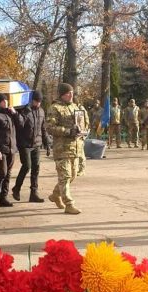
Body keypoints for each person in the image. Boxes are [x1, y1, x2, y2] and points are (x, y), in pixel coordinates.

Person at [46, 83, 89, 215]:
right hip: (62, 149)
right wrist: (68, 131)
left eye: (72, 92)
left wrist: (84, 131)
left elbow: (84, 123)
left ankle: (55, 195)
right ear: (62, 94)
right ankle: (69, 204)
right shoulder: (55, 108)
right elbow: (50, 127)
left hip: (76, 148)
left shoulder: (76, 107)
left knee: (73, 175)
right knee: (65, 176)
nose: (71, 95)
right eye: (68, 93)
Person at [12, 90, 49, 203]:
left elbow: (43, 128)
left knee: (36, 169)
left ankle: (34, 193)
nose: (37, 103)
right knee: (27, 166)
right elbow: (20, 124)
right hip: (25, 144)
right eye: (36, 101)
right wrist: (15, 114)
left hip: (36, 144)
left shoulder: (42, 111)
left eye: (39, 101)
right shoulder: (25, 110)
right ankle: (16, 188)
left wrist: (46, 143)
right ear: (31, 100)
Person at [0, 93, 24, 208]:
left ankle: (3, 197)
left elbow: (21, 124)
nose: (6, 103)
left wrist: (15, 113)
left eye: (6, 101)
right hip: (1, 149)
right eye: (3, 101)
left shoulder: (10, 114)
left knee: (7, 174)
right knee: (2, 172)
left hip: (11, 149)